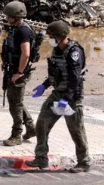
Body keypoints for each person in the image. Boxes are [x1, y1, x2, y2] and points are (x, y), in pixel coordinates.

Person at [25, 20, 91, 173]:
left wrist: (66, 99)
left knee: (76, 130)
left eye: (53, 36)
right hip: (57, 94)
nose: (51, 39)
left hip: (72, 97)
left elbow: (75, 78)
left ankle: (83, 162)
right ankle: (41, 157)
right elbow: (57, 73)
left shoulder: (74, 52)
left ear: (61, 36)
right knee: (42, 123)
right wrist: (45, 85)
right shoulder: (57, 51)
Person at [0, 1, 36, 146]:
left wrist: (20, 72)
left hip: (19, 71)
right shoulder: (15, 28)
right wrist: (5, 61)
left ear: (16, 16)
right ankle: (31, 127)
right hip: (13, 68)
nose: (7, 18)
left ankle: (16, 135)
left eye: (9, 16)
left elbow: (26, 54)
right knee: (16, 102)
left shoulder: (23, 31)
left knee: (14, 105)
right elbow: (11, 48)